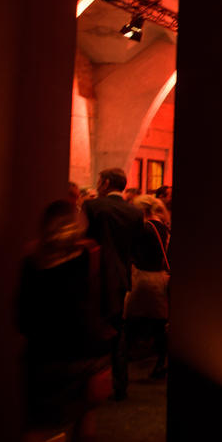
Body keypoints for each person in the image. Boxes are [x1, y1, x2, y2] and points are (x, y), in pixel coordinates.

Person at [15, 201, 114, 442]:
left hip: (42, 355)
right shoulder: (90, 255)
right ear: (77, 224)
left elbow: (21, 317)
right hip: (83, 353)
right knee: (84, 419)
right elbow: (102, 303)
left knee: (33, 431)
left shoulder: (31, 260)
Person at [81, 168, 144, 400]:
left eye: (99, 180)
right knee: (117, 330)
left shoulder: (92, 206)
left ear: (106, 182)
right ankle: (120, 383)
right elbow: (136, 246)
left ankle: (92, 383)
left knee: (92, 329)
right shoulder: (134, 212)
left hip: (94, 275)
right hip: (120, 276)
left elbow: (84, 240)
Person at [126, 195, 171, 379]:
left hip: (144, 278)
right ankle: (161, 362)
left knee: (131, 319)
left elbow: (135, 253)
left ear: (142, 210)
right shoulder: (163, 227)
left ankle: (124, 359)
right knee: (159, 323)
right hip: (160, 278)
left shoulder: (144, 228)